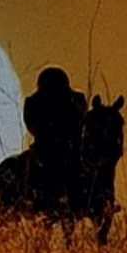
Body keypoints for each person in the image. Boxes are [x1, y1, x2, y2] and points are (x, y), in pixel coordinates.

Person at [22, 66, 88, 205]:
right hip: (58, 148)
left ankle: (32, 199)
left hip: (50, 148)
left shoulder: (34, 101)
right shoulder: (76, 99)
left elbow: (31, 125)